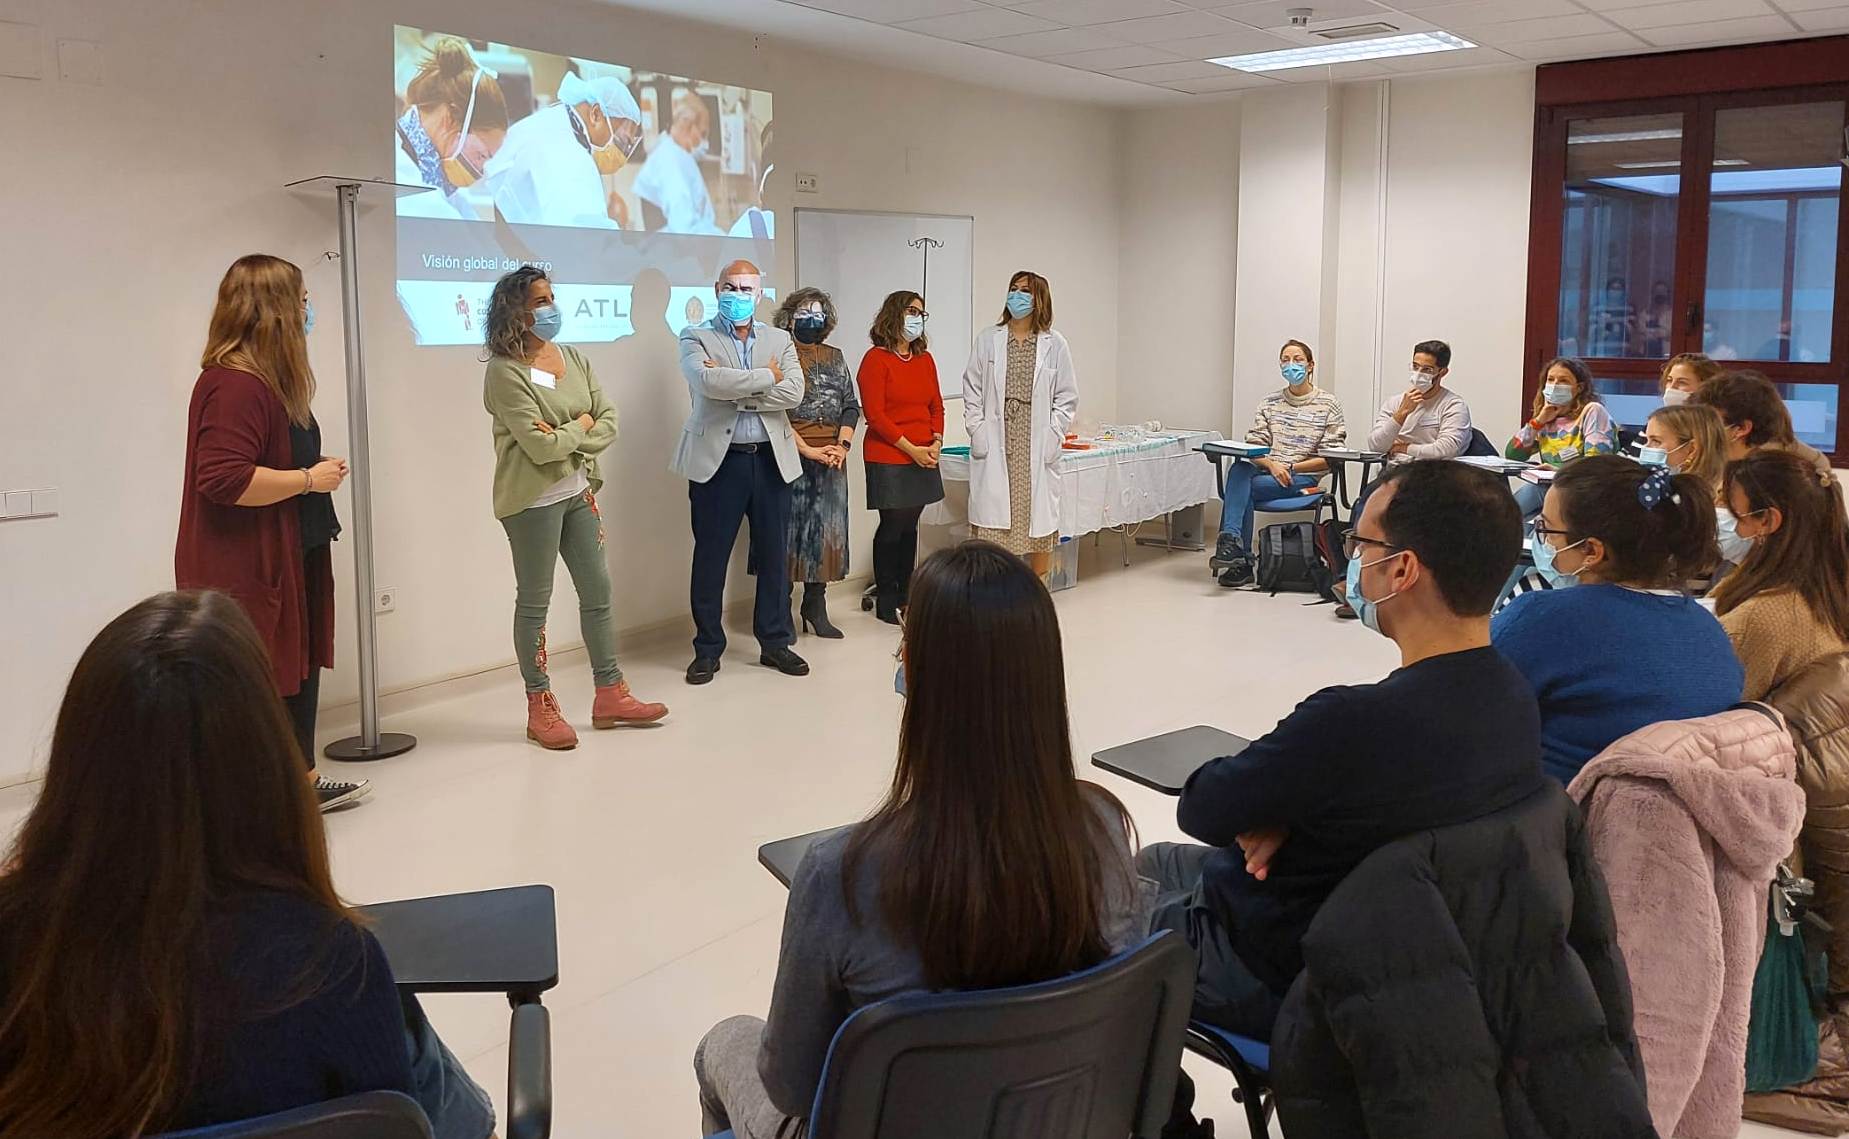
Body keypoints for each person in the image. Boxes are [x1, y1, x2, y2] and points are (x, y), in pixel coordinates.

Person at [692, 542, 1145, 1139]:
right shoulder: (1102, 827)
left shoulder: (840, 875)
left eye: (905, 640)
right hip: (1049, 1116)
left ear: (922, 673)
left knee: (722, 1043)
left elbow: (792, 1087)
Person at [0, 592, 491, 1139]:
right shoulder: (333, 965)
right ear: (268, 759)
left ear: (80, 766)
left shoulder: (20, 945)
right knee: (414, 1045)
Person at [1140, 461, 1546, 1050]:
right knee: (1154, 861)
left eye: (1360, 543)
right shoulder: (1514, 699)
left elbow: (1203, 808)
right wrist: (1290, 808)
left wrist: (1279, 808)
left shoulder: (1351, 723)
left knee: (1085, 899)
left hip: (1284, 971)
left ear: (1401, 568)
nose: (1352, 558)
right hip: (1409, 957)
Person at [175, 254, 368, 813]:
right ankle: (258, 804)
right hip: (247, 565)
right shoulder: (236, 385)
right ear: (276, 310)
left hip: (290, 551)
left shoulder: (267, 381)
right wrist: (309, 478)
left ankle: (298, 787)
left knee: (296, 667)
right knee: (254, 678)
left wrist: (305, 470)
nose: (309, 311)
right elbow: (224, 478)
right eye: (303, 301)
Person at [481, 266, 667, 749]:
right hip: (531, 502)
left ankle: (610, 693)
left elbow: (609, 420)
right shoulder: (504, 371)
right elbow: (537, 450)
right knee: (535, 603)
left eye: (551, 297)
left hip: (578, 492)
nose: (550, 308)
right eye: (540, 301)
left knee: (598, 593)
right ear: (515, 311)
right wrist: (581, 426)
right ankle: (539, 705)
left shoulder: (575, 357)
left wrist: (568, 431)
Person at [1493, 455, 1743, 784]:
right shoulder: (1708, 629)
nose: (1543, 541)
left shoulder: (1542, 618)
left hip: (1566, 819)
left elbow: (1458, 709)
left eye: (1547, 530)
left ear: (1592, 552)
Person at [673, 260, 809, 684]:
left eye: (746, 288)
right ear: (716, 289)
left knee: (773, 556)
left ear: (760, 293)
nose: (737, 294)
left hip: (770, 459)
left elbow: (794, 392)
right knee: (710, 557)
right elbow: (707, 385)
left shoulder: (780, 338)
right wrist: (765, 377)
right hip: (719, 462)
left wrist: (741, 390)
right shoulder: (695, 335)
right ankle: (708, 649)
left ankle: (774, 643)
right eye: (730, 286)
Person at [963, 271, 1078, 579]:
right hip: (997, 435)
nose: (1016, 296)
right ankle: (994, 592)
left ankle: (1038, 593)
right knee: (994, 524)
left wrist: (1054, 434)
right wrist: (977, 428)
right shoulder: (989, 340)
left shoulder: (1055, 344)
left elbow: (1066, 398)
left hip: (1035, 440)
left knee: (1036, 522)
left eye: (1024, 291)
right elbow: (972, 388)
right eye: (1013, 289)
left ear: (1039, 297)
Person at [1206, 339, 1347, 587]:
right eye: (1285, 359)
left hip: (1303, 478)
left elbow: (1331, 456)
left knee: (1238, 490)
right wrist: (1272, 465)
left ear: (1311, 365)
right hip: (1267, 472)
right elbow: (1253, 445)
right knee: (1240, 468)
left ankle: (1240, 559)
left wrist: (1291, 467)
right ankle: (1233, 546)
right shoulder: (1269, 403)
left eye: (1298, 360)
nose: (1291, 365)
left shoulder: (1328, 404)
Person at [1712, 448, 1849, 701]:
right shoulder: (1834, 583)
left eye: (1738, 517)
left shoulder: (1760, 617)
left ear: (1768, 521)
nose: (1738, 530)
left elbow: (1717, 708)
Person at [770, 287, 859, 639]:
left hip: (833, 458)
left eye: (818, 312)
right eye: (804, 312)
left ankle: (815, 605)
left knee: (826, 536)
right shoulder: (778, 354)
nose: (812, 318)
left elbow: (851, 405)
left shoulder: (836, 357)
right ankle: (780, 612)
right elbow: (773, 409)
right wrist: (805, 447)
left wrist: (843, 445)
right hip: (790, 454)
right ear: (789, 317)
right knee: (788, 535)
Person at [857, 291, 945, 624]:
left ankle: (909, 595)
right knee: (893, 525)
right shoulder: (875, 360)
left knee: (911, 527)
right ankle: (886, 599)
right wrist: (912, 449)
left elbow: (936, 404)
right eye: (912, 311)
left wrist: (936, 441)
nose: (918, 318)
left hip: (925, 453)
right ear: (894, 314)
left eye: (922, 312)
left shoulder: (925, 359)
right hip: (889, 454)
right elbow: (876, 416)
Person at [484, 72, 642, 230]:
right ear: (595, 115)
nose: (621, 158)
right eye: (621, 142)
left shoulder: (556, 120)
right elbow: (589, 242)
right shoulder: (570, 156)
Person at [395, 37, 508, 221]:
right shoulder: (402, 182)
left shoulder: (446, 190)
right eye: (481, 155)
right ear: (450, 119)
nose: (480, 171)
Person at [1643, 402, 1753, 568]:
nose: (1646, 448)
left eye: (1656, 441)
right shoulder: (1668, 494)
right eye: (1647, 440)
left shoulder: (1724, 514)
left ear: (1692, 449)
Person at [1505, 355, 1614, 516]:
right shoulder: (1547, 418)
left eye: (1563, 381)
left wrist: (1558, 471)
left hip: (1581, 491)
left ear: (1579, 388)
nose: (1555, 385)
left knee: (1511, 513)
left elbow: (1595, 465)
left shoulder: (1592, 411)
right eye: (1551, 380)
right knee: (1522, 525)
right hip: (1552, 488)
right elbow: (1513, 455)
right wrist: (1539, 421)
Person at [1692, 368, 1833, 476]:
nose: (1698, 430)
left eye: (1708, 422)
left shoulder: (1773, 474)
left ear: (1741, 428)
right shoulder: (1720, 458)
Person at [1364, 339, 1472, 464]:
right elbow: (1375, 445)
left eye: (1427, 370)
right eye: (1415, 367)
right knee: (1375, 484)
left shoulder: (1453, 405)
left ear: (1442, 372)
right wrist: (1402, 413)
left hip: (1431, 472)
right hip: (1393, 470)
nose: (1418, 374)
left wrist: (1403, 448)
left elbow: (1447, 449)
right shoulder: (1395, 402)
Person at [634, 96, 718, 234]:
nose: (705, 143)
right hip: (679, 251)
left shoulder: (676, 154)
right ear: (688, 126)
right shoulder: (670, 162)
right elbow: (683, 227)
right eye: (702, 134)